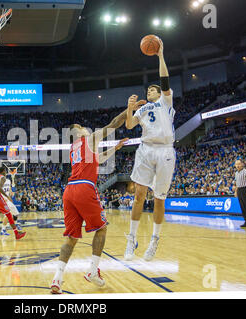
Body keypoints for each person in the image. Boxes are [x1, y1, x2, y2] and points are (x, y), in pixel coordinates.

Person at [50, 108, 129, 294]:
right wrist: (129, 110)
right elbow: (113, 124)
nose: (85, 128)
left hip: (69, 191)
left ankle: (57, 278)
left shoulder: (73, 148)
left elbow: (98, 158)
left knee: (71, 238)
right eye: (82, 127)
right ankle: (93, 271)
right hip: (84, 187)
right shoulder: (89, 139)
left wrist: (115, 148)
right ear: (79, 132)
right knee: (101, 228)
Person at [124, 38, 176, 261]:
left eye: (153, 89)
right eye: (149, 89)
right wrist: (129, 108)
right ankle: (131, 239)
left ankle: (154, 241)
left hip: (165, 151)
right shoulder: (142, 109)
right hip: (145, 149)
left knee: (159, 199)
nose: (151, 91)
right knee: (139, 195)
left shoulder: (165, 102)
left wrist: (160, 55)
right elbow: (128, 126)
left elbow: (164, 80)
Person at [0, 171, 23, 236]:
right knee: (11, 214)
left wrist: (13, 178)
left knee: (12, 214)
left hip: (8, 200)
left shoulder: (8, 181)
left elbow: (10, 187)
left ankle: (3, 230)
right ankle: (16, 225)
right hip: (3, 201)